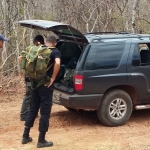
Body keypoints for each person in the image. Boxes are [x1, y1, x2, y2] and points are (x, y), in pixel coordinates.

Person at [21, 35, 61, 148]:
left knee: (33, 109)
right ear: (55, 43)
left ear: (46, 42)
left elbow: (21, 58)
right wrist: (52, 78)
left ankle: (25, 136)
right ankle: (41, 140)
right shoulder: (55, 52)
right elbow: (57, 63)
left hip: (34, 84)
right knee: (45, 113)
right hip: (46, 86)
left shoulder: (37, 49)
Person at [20, 35, 45, 121]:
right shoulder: (37, 51)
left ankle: (31, 113)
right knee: (29, 95)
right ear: (39, 42)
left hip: (28, 76)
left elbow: (20, 58)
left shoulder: (29, 49)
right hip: (32, 78)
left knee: (32, 95)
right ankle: (24, 115)